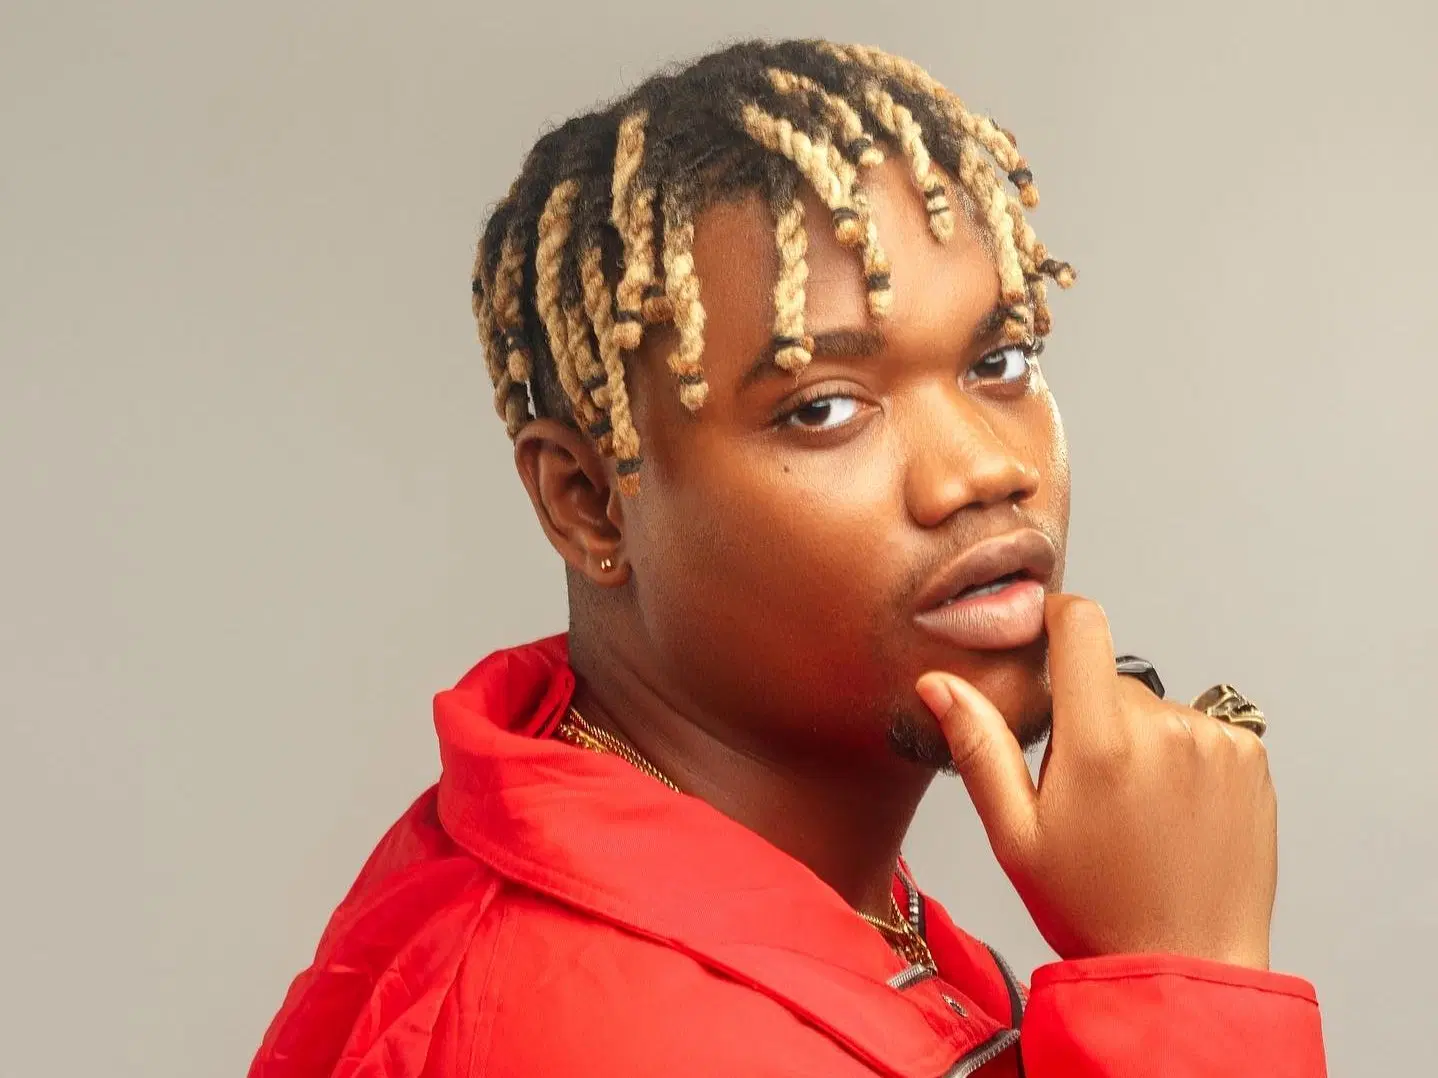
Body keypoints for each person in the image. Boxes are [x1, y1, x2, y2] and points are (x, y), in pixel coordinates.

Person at [248, 39, 1326, 1077]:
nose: (985, 469)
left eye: (1000, 360)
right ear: (589, 503)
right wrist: (1194, 982)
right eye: (821, 408)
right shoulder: (597, 1031)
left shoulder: (797, 911)